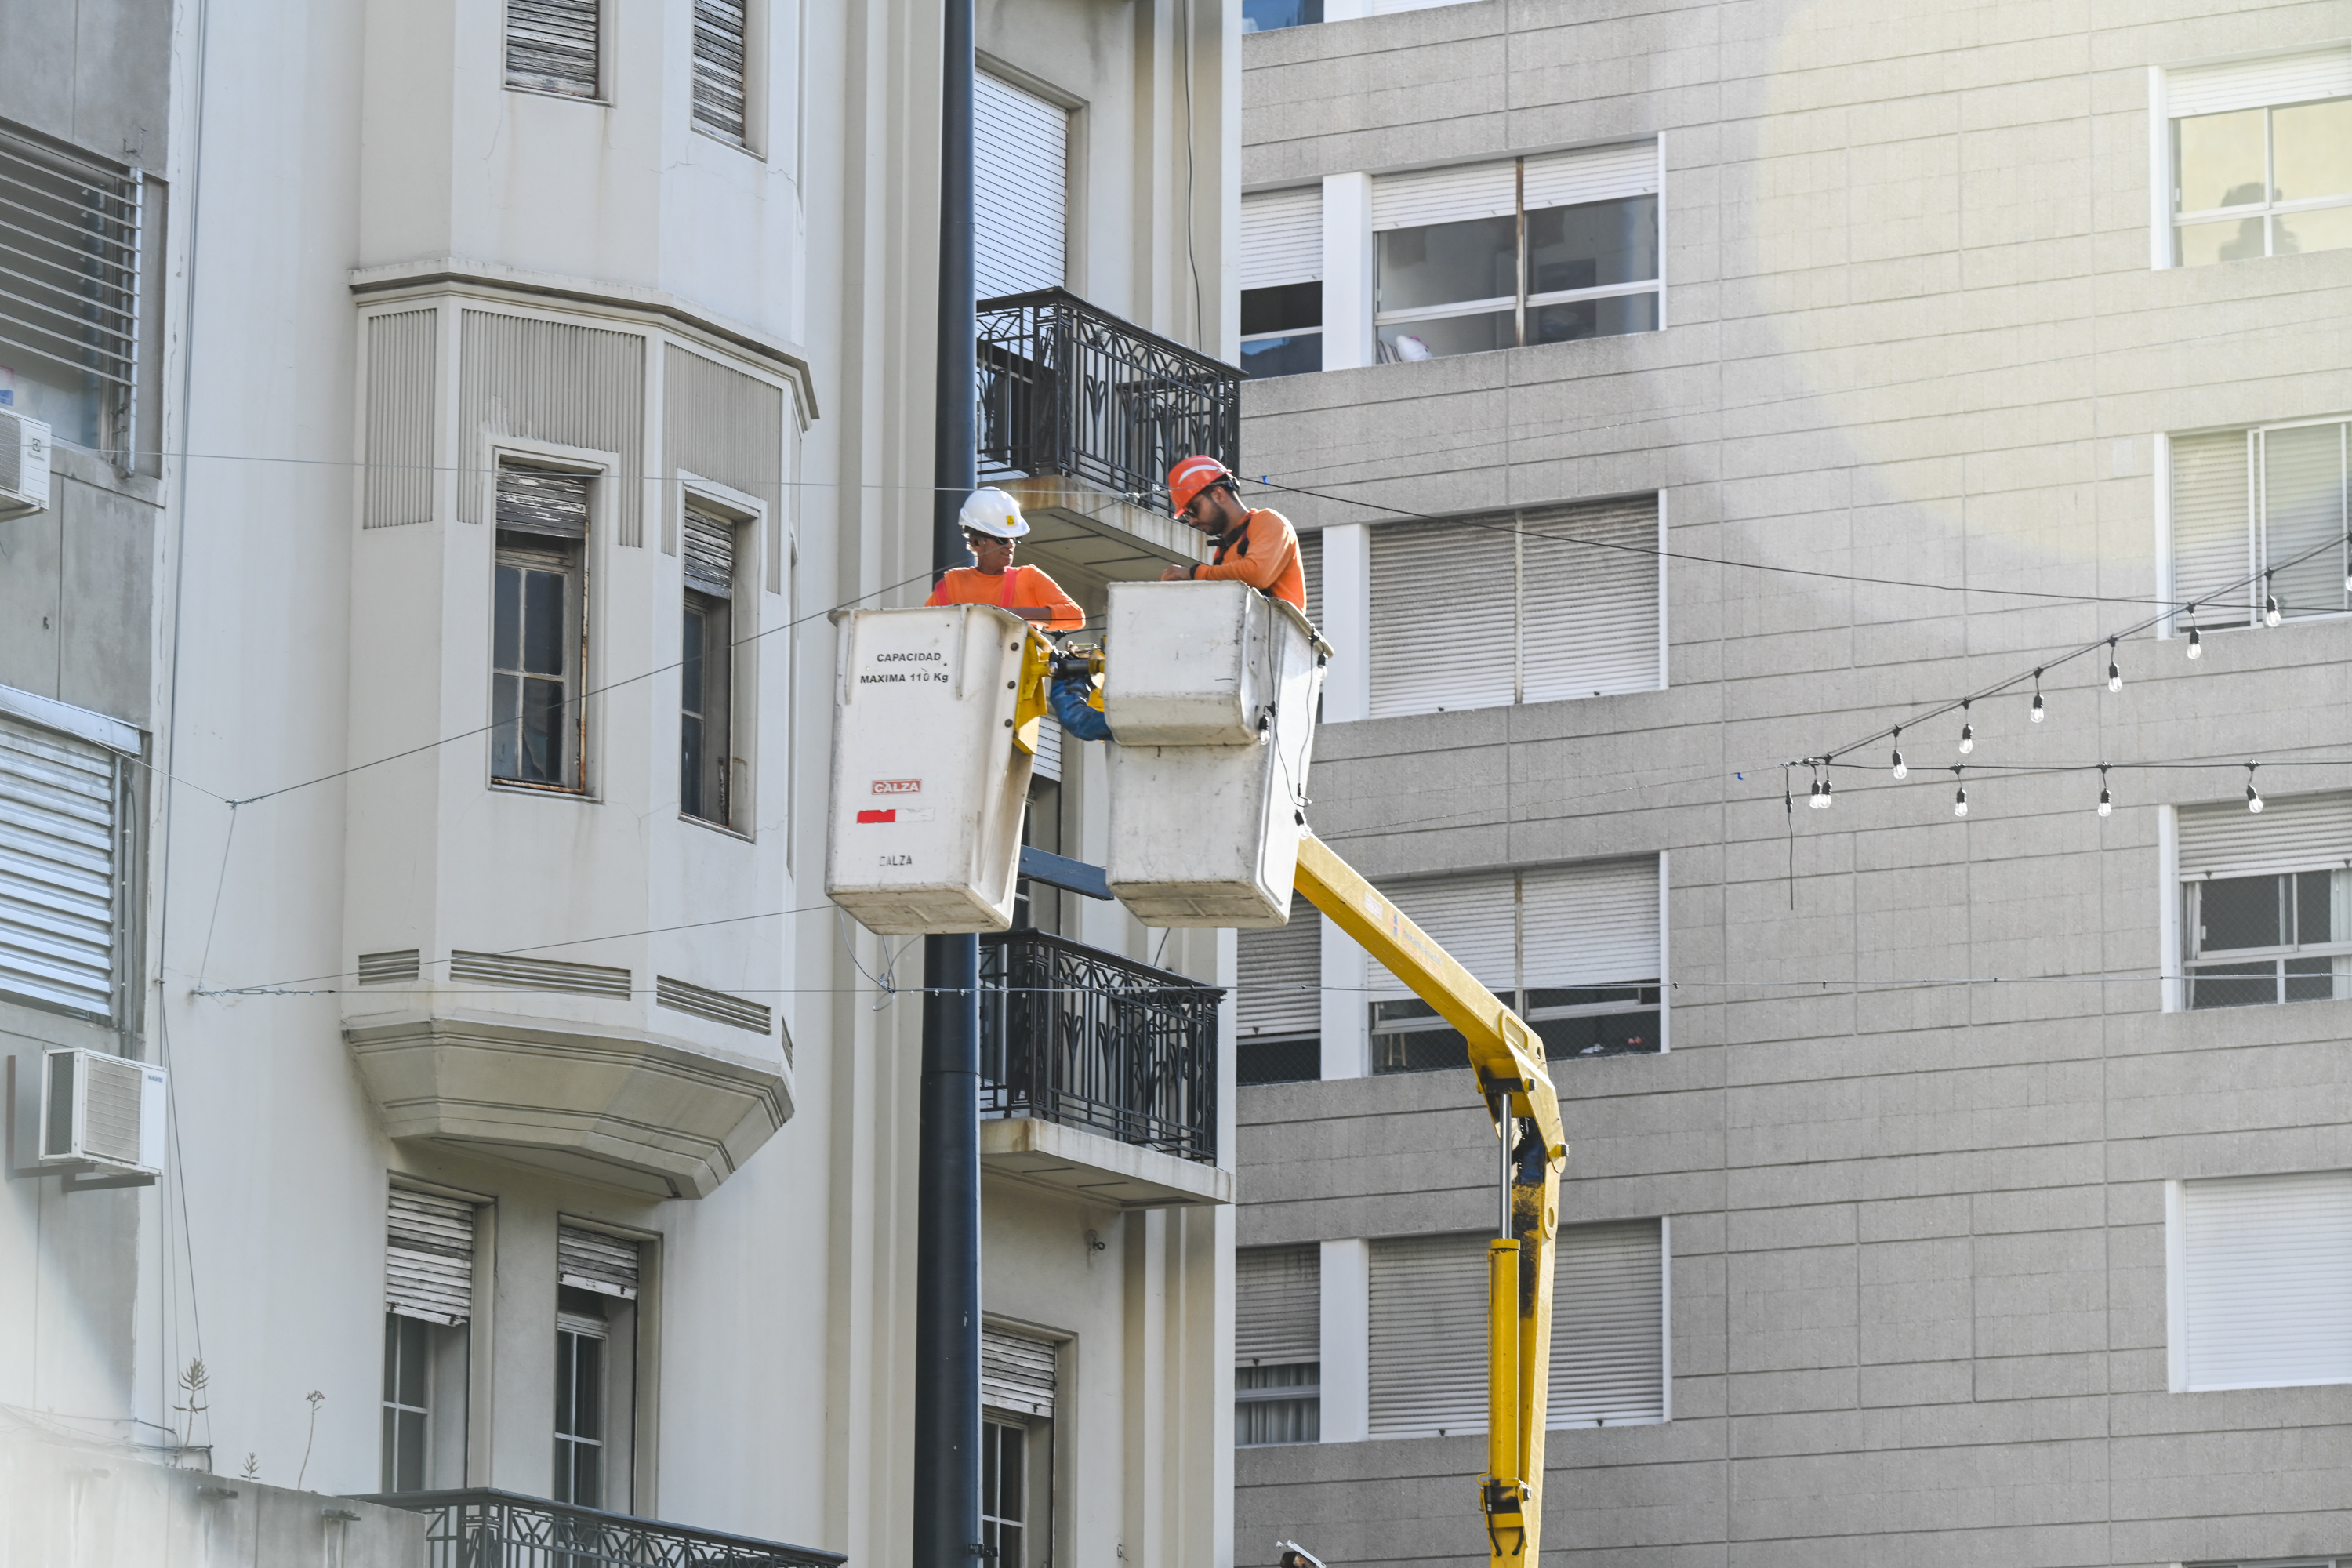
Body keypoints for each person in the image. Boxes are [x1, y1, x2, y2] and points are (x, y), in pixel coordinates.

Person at [1156, 456, 1308, 615]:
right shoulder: (1223, 552)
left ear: (1218, 495)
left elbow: (1257, 574)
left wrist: (1193, 574)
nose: (1192, 521)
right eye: (1187, 515)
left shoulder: (1269, 521)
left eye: (1193, 510)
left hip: (1279, 634)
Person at [925, 488, 1086, 632]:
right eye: (1002, 539)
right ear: (976, 542)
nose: (1010, 545)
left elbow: (1076, 616)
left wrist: (1016, 614)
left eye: (1014, 539)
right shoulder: (953, 583)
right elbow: (924, 629)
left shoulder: (1030, 578)